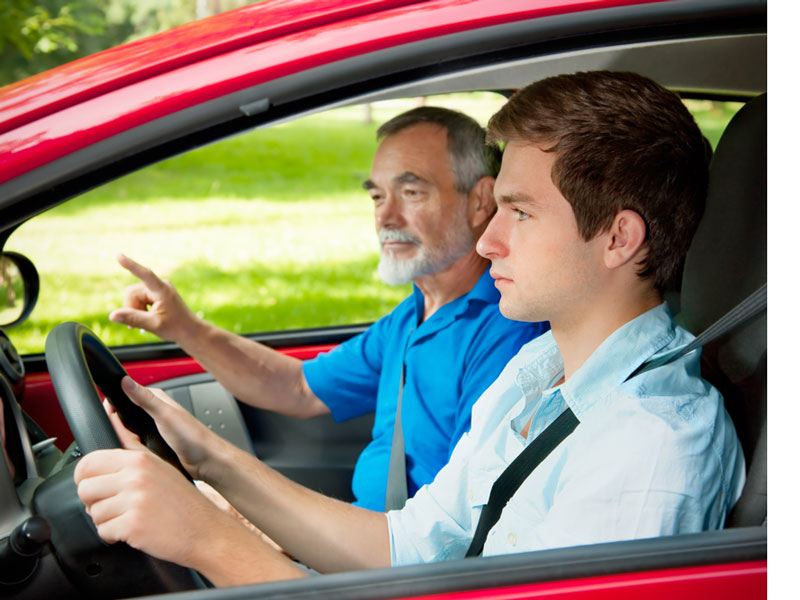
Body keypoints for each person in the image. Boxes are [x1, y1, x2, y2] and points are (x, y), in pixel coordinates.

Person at [74, 71, 745, 587]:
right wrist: (207, 458)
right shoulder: (540, 373)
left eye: (520, 211)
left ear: (618, 238)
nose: (491, 242)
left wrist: (210, 541)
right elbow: (411, 545)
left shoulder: (649, 446)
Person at [108, 107, 547, 512]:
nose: (386, 217)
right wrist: (186, 328)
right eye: (377, 197)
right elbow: (298, 388)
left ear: (480, 201)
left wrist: (248, 519)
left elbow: (453, 528)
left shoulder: (506, 329)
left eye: (410, 192)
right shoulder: (414, 314)